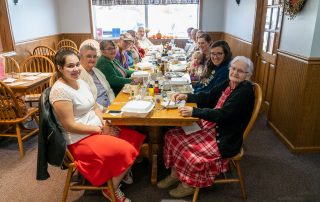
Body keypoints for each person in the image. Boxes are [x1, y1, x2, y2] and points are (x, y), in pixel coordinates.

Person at [50, 50, 145, 202]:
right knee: (128, 150)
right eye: (70, 66)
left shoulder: (80, 82)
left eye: (76, 65)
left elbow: (94, 106)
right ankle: (110, 189)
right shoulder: (60, 91)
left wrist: (104, 122)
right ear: (60, 68)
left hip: (95, 129)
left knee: (134, 138)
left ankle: (120, 170)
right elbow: (70, 125)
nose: (75, 69)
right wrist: (101, 130)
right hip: (79, 139)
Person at [157, 56, 255, 198]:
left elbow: (223, 115)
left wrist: (194, 111)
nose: (235, 72)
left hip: (225, 137)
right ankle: (175, 175)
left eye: (240, 71)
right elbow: (209, 96)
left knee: (187, 148)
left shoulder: (244, 92)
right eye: (233, 68)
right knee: (171, 135)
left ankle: (188, 185)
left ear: (248, 76)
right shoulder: (229, 83)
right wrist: (187, 96)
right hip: (213, 127)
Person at [79, 44, 115, 112]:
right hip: (95, 111)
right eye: (88, 56)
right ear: (81, 57)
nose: (92, 59)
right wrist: (106, 110)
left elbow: (109, 90)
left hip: (110, 107)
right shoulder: (78, 75)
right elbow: (87, 101)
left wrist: (113, 105)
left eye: (94, 56)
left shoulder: (96, 71)